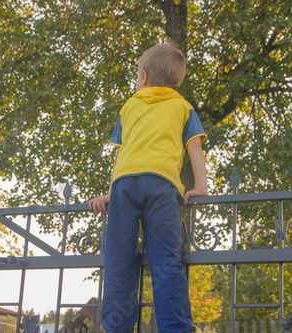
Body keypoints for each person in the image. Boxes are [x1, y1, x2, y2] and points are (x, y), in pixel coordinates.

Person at [88, 43, 209, 333]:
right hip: (162, 185)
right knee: (166, 263)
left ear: (143, 77)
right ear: (177, 82)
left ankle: (116, 328)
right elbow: (195, 148)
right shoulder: (183, 107)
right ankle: (176, 329)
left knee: (118, 262)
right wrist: (201, 187)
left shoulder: (129, 105)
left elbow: (121, 153)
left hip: (125, 185)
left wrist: (111, 192)